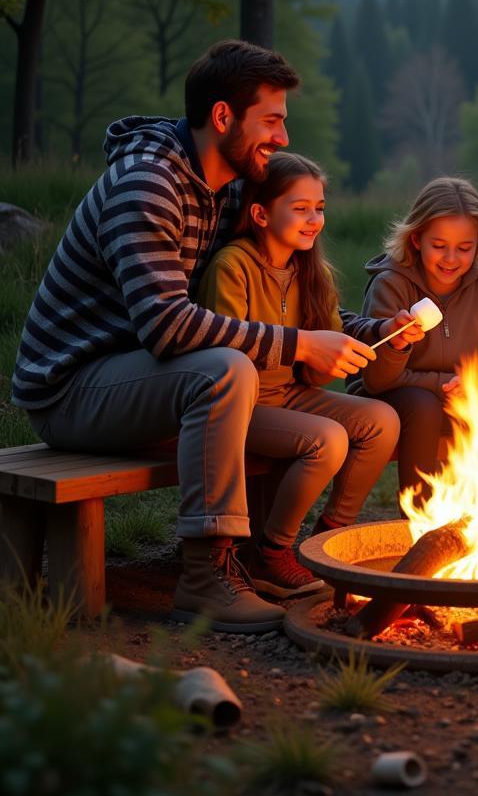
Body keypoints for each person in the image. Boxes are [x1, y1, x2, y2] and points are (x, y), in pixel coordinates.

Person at [11, 40, 420, 633]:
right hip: (74, 387)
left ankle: (280, 550)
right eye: (271, 121)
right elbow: (168, 326)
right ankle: (207, 577)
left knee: (313, 401)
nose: (282, 138)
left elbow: (273, 292)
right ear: (223, 117)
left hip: (147, 379)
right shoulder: (147, 185)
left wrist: (362, 332)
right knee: (223, 369)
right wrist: (301, 347)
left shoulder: (225, 188)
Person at [195, 152, 403, 599]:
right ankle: (272, 552)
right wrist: (302, 351)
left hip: (290, 395)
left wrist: (364, 346)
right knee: (327, 439)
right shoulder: (233, 267)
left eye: (320, 208)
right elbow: (221, 357)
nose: (314, 220)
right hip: (238, 407)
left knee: (381, 421)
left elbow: (318, 360)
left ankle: (325, 537)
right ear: (260, 213)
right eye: (300, 207)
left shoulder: (311, 272)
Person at [352, 177, 478, 506]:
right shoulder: (392, 284)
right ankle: (421, 518)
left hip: (460, 397)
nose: (451, 259)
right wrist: (443, 381)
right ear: (417, 239)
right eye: (439, 245)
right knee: (423, 406)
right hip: (395, 399)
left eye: (464, 248)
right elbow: (377, 379)